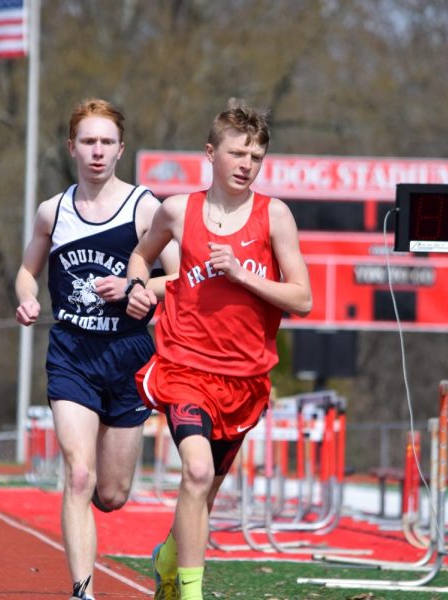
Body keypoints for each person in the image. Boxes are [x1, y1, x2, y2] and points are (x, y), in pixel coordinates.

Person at [125, 99, 312, 600]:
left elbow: (303, 299)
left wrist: (243, 273)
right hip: (184, 365)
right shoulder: (177, 210)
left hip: (244, 378)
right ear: (211, 153)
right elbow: (140, 258)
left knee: (203, 493)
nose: (246, 164)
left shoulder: (275, 216)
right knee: (197, 470)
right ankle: (190, 593)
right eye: (237, 153)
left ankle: (168, 558)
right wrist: (137, 288)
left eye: (255, 155)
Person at [15, 98, 178, 600]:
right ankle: (82, 591)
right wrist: (27, 297)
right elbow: (27, 271)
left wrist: (138, 289)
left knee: (111, 494)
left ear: (121, 149)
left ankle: (157, 557)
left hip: (128, 355)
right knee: (78, 473)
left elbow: (182, 276)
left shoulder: (145, 208)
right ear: (72, 148)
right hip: (71, 354)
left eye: (107, 142)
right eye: (88, 141)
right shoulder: (53, 211)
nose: (98, 152)